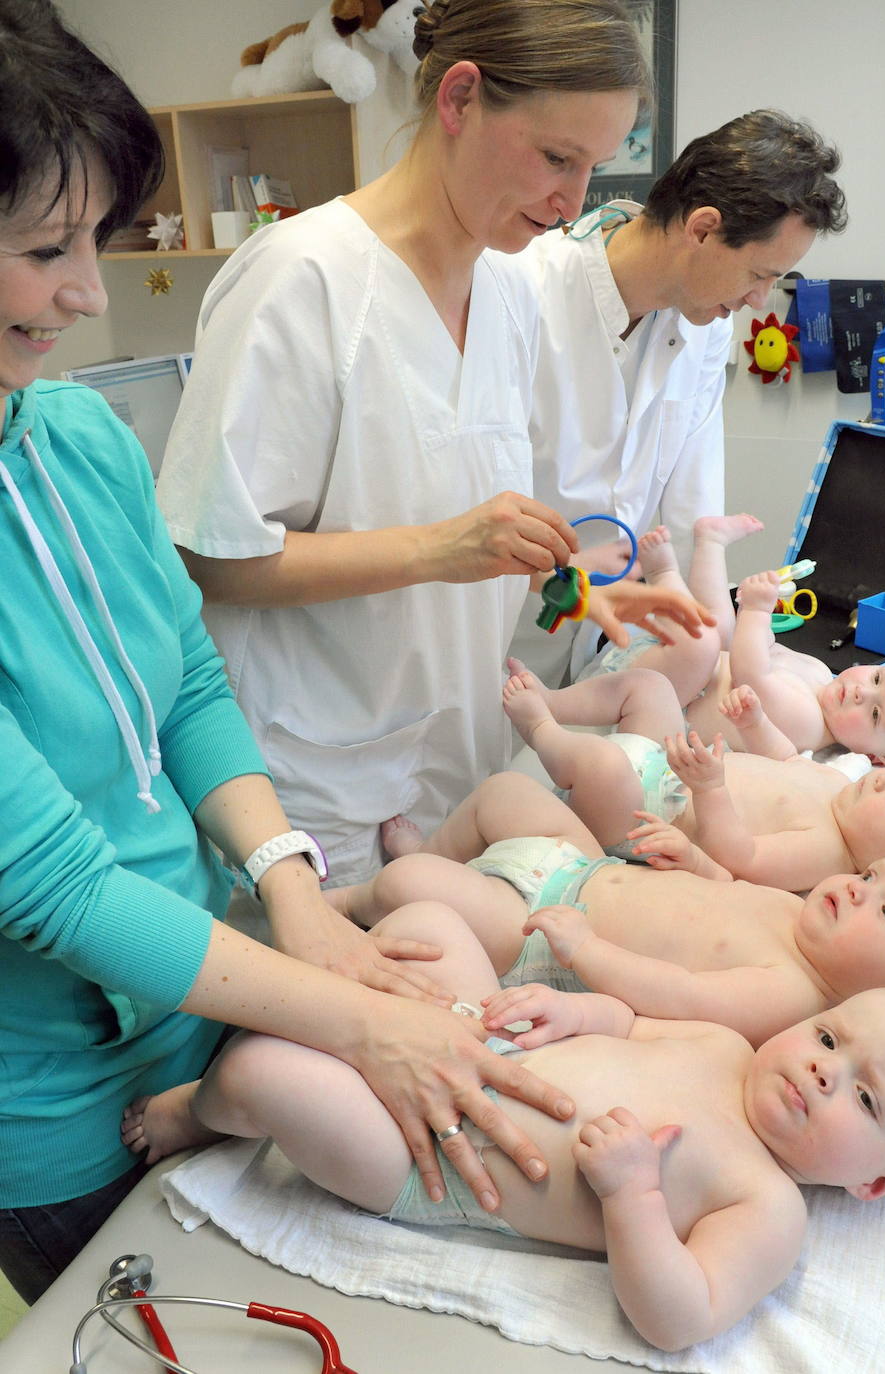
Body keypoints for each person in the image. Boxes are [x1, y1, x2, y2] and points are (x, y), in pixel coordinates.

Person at [0, 0, 599, 1304]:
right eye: (46, 248)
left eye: (95, 240)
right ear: (459, 101)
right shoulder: (308, 280)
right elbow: (48, 884)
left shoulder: (72, 436)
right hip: (54, 1081)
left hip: (211, 965)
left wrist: (286, 891)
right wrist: (355, 1011)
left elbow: (188, 679)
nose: (90, 293)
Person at [155, 0, 713, 888]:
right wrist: (439, 550)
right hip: (313, 781)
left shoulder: (508, 293)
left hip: (457, 754)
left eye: (596, 168)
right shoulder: (303, 281)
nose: (574, 203)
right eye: (557, 158)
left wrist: (573, 588)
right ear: (460, 99)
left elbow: (461, 495)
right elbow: (208, 558)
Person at [122, 907, 885, 1354]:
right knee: (430, 929)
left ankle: (202, 1114)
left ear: (877, 1184)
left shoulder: (766, 1208)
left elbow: (682, 1317)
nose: (826, 1068)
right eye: (831, 1036)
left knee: (256, 1073)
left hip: (439, 1164)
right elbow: (628, 1023)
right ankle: (346, 1023)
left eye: (866, 1100)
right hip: (479, 1040)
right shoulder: (726, 1043)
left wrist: (635, 1198)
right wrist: (571, 1010)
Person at [502, 109, 848, 688]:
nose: (760, 299)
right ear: (704, 228)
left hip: (595, 640)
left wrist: (720, 650)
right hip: (496, 627)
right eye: (759, 273)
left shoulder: (706, 329)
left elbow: (695, 515)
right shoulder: (521, 289)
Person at [335, 772, 885, 1044]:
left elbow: (677, 992)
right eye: (871, 875)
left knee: (410, 885)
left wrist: (588, 950)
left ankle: (342, 904)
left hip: (539, 935)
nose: (858, 887)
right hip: (585, 866)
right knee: (507, 793)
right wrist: (694, 860)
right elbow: (726, 889)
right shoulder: (800, 916)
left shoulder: (791, 994)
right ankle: (448, 852)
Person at [499, 667, 885, 891]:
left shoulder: (828, 854)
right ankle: (556, 701)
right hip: (670, 763)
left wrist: (710, 789)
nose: (883, 785)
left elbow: (739, 859)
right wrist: (755, 725)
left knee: (602, 766)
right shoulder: (840, 790)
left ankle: (540, 728)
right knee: (653, 688)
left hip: (644, 816)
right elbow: (786, 759)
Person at [582, 521, 885, 761]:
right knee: (722, 632)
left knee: (705, 641)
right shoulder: (820, 675)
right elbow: (766, 651)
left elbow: (752, 675)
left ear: (873, 756)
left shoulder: (809, 726)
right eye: (878, 680)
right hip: (686, 671)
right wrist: (758, 626)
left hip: (662, 698)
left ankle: (663, 573)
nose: (863, 693)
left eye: (876, 715)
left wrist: (757, 611)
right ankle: (710, 543)